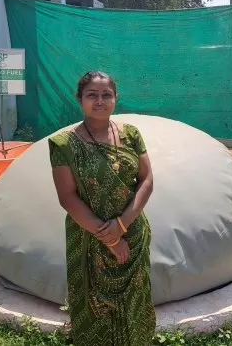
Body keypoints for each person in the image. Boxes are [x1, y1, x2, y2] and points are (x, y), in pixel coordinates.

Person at [48, 71, 156, 346]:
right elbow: (68, 197)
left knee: (134, 302)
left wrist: (120, 227)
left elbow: (147, 180)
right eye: (92, 95)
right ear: (79, 99)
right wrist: (108, 237)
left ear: (115, 98)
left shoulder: (131, 135)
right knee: (93, 307)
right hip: (88, 238)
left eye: (106, 94)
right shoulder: (63, 144)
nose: (100, 101)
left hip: (132, 234)